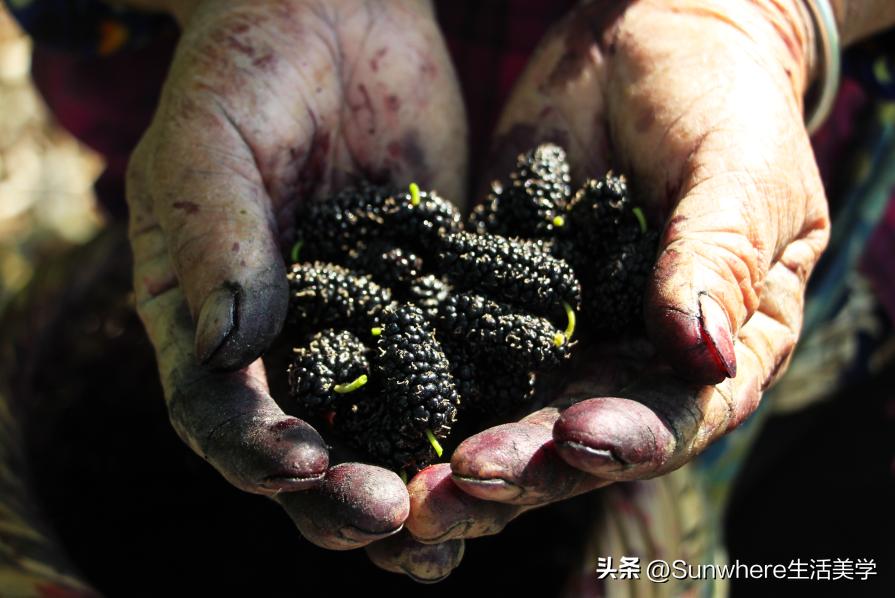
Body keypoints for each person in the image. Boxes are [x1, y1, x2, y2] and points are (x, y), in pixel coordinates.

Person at [2, 0, 895, 588]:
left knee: (795, 503)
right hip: (279, 126)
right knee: (211, 413)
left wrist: (762, 18)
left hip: (694, 144)